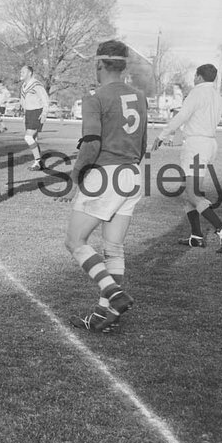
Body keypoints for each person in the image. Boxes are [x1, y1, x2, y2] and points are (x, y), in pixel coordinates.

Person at [57, 41, 146, 333]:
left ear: (99, 64)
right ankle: (103, 316)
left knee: (75, 241)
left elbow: (92, 143)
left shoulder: (95, 97)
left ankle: (114, 294)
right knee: (114, 248)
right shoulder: (139, 96)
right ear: (124, 65)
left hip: (106, 175)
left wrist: (75, 177)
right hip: (132, 174)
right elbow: (142, 144)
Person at [152, 63, 222, 253]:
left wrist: (162, 136)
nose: (193, 78)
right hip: (208, 144)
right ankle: (196, 237)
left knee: (192, 194)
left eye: (194, 75)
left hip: (196, 146)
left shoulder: (197, 92)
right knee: (190, 194)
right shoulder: (216, 95)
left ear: (198, 76)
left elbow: (182, 116)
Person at [19, 65, 50, 170]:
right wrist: (24, 114)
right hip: (28, 113)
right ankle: (39, 163)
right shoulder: (23, 85)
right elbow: (23, 101)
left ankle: (38, 162)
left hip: (37, 112)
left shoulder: (36, 84)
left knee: (28, 137)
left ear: (30, 73)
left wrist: (45, 113)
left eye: (23, 71)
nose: (21, 73)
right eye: (21, 71)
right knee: (33, 139)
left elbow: (45, 99)